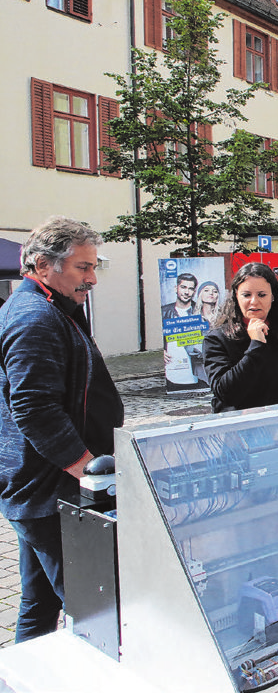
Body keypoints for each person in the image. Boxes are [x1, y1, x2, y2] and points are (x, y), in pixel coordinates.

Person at [0, 216, 124, 642]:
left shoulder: (54, 309)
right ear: (41, 265)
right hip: (47, 491)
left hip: (43, 491)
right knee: (95, 613)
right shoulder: (35, 317)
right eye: (82, 268)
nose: (92, 278)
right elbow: (34, 408)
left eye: (94, 267)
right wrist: (87, 468)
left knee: (38, 604)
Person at [202, 262, 278, 413]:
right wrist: (256, 344)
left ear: (273, 297)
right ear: (236, 296)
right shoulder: (218, 339)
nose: (254, 301)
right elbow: (226, 393)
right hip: (242, 430)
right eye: (246, 295)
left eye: (262, 295)